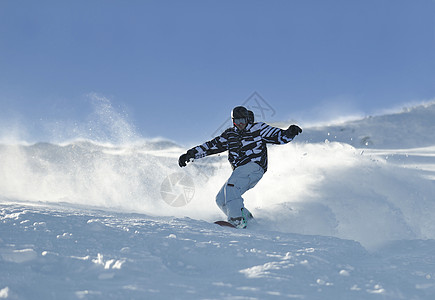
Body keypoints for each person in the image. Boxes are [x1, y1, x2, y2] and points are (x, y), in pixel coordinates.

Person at [178, 106, 302, 228]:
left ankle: (236, 220)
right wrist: (190, 154)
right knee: (221, 199)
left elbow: (277, 136)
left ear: (248, 118)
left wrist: (289, 133)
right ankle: (247, 218)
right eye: (237, 121)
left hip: (254, 165)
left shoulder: (258, 128)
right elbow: (211, 146)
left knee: (231, 187)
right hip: (240, 171)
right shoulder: (230, 134)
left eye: (243, 120)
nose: (241, 123)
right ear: (233, 121)